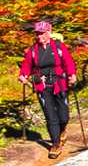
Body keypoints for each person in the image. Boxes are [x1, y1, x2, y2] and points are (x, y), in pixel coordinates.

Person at [18, 20, 78, 152]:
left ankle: (62, 130)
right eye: (37, 34)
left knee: (64, 116)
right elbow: (26, 65)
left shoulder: (58, 46)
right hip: (42, 85)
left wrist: (72, 74)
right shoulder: (33, 50)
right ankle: (55, 144)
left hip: (59, 84)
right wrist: (23, 75)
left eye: (42, 33)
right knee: (50, 116)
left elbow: (68, 61)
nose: (39, 36)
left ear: (49, 33)